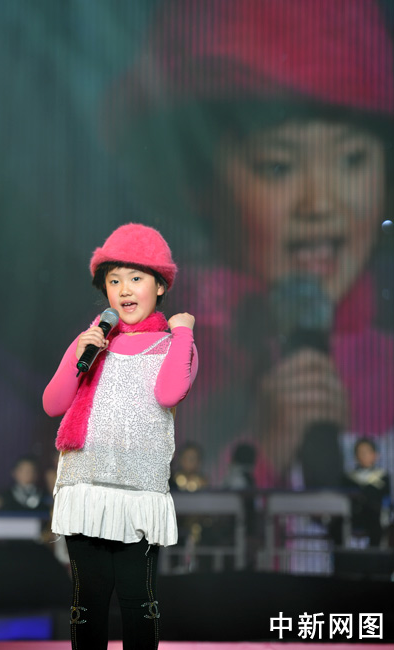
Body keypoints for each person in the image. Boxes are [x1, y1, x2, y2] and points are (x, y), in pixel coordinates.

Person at [105, 0, 394, 489]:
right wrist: (261, 449)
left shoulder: (384, 366)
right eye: (278, 166)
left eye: (352, 161)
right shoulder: (148, 358)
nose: (320, 204)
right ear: (200, 182)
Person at [43, 223, 197, 650]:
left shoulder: (173, 345)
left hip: (138, 494)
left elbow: (169, 393)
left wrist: (184, 332)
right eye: (114, 281)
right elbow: (53, 404)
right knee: (87, 602)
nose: (124, 289)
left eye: (135, 278)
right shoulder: (92, 341)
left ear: (160, 286)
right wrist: (79, 355)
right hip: (86, 489)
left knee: (138, 601)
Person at [344, 438, 391, 546]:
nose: (364, 455)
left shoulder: (383, 477)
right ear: (356, 456)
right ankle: (342, 554)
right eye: (361, 452)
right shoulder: (348, 478)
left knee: (377, 523)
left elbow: (386, 499)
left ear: (375, 455)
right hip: (353, 516)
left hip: (374, 516)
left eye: (367, 452)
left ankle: (373, 554)